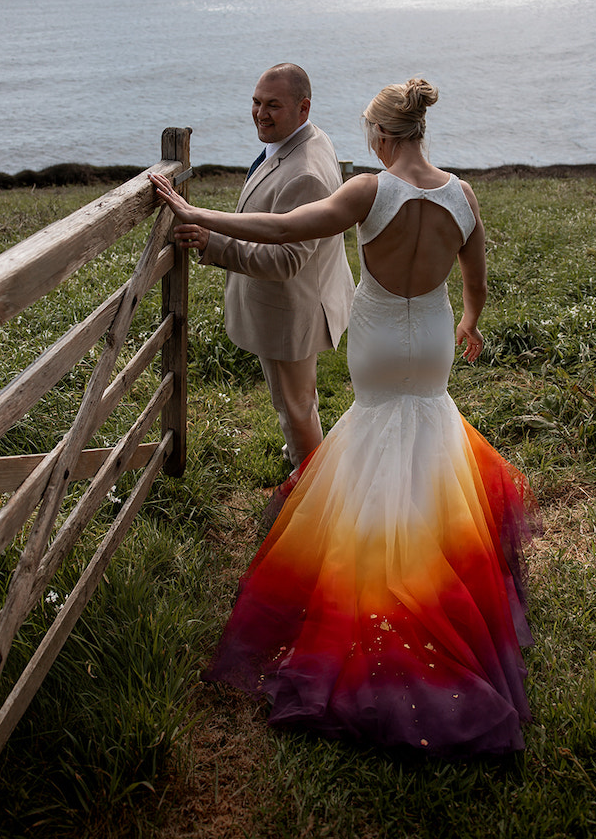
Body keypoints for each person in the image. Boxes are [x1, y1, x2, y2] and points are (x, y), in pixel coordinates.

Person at [150, 77, 537, 755]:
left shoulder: (369, 189)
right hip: (433, 347)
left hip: (381, 345)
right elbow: (476, 280)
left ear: (383, 137)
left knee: (370, 443)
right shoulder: (462, 194)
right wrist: (470, 322)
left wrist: (196, 212)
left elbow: (284, 227)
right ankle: (432, 561)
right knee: (429, 438)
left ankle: (375, 576)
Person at [173, 63, 354, 469]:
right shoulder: (311, 138)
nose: (260, 113)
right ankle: (303, 465)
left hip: (293, 312)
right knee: (300, 399)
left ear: (303, 108)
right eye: (256, 102)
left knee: (295, 408)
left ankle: (309, 493)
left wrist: (212, 243)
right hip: (306, 299)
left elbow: (287, 260)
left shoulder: (304, 173)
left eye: (273, 105)